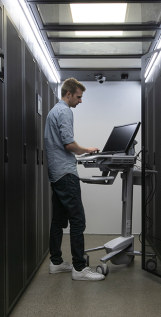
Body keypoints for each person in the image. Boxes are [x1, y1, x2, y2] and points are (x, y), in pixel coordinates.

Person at [44, 78, 105, 281]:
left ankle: (56, 262)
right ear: (68, 94)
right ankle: (79, 268)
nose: (80, 101)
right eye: (78, 97)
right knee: (78, 220)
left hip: (56, 173)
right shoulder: (64, 111)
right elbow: (69, 145)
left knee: (58, 220)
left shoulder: (54, 111)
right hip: (66, 173)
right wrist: (87, 150)